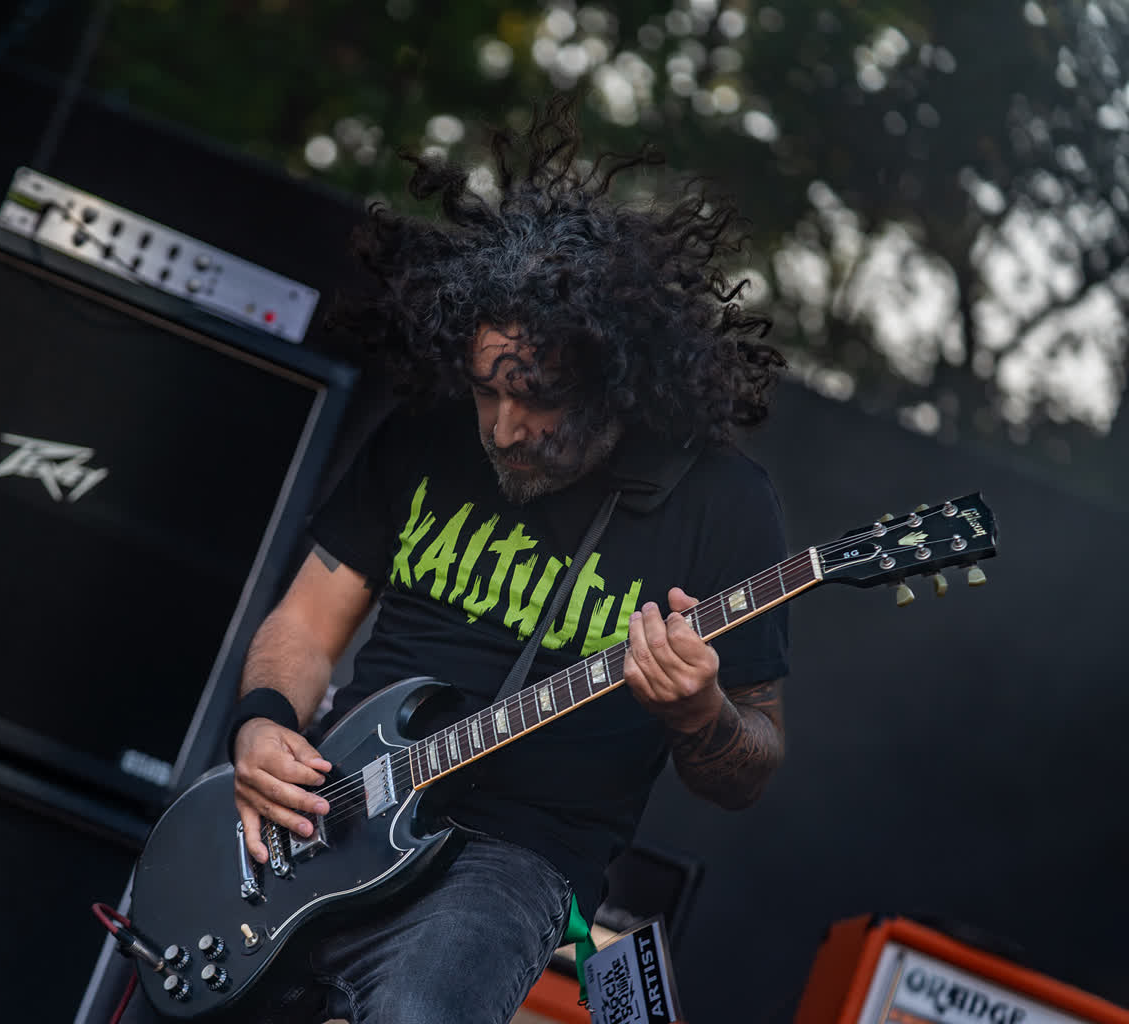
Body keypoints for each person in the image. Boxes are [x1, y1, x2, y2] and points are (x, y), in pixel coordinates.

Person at [132, 94, 790, 1023]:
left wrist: (699, 712)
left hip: (513, 861)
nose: (505, 429)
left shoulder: (722, 504)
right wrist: (263, 726)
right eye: (488, 389)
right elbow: (306, 623)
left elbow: (752, 760)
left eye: (540, 400)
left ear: (618, 382)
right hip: (335, 813)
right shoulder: (427, 435)